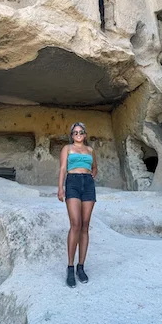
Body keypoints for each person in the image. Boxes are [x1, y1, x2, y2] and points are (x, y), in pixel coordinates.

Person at [58, 122, 98, 287]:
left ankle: (81, 267)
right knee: (75, 223)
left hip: (87, 184)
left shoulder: (90, 150)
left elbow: (95, 168)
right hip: (72, 182)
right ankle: (70, 267)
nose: (78, 134)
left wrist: (89, 177)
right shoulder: (67, 148)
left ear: (85, 134)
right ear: (72, 135)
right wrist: (61, 188)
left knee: (85, 225)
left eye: (81, 132)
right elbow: (62, 168)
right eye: (75, 132)